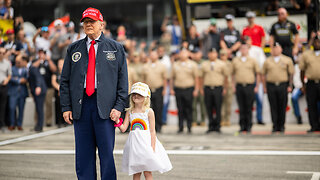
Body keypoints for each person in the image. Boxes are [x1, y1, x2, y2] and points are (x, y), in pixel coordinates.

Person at [60, 7, 128, 179]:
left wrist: (119, 106)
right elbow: (65, 81)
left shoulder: (116, 48)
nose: (88, 24)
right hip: (81, 106)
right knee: (83, 154)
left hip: (105, 107)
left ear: (101, 24)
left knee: (106, 154)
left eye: (92, 21)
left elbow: (122, 82)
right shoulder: (73, 49)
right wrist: (66, 107)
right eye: (85, 22)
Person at [115, 82, 172, 179]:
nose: (136, 96)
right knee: (136, 172)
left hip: (146, 144)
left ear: (146, 97)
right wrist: (117, 121)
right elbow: (124, 128)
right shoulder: (130, 111)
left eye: (139, 94)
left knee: (147, 171)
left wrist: (152, 147)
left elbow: (152, 131)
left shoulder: (149, 112)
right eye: (134, 94)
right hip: (134, 146)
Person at [261, 43, 294, 133]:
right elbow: (263, 74)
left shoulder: (287, 60)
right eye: (274, 48)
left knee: (282, 106)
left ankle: (282, 125)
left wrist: (290, 86)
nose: (275, 50)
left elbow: (291, 74)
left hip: (283, 85)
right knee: (273, 106)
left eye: (277, 48)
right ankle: (275, 125)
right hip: (271, 85)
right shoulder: (267, 61)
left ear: (281, 49)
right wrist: (264, 87)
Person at [237, 36, 266, 125]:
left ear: (251, 40)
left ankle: (259, 118)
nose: (247, 42)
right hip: (245, 77)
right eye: (245, 41)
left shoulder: (257, 50)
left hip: (256, 76)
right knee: (246, 102)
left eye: (248, 40)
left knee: (259, 99)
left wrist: (260, 80)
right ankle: (246, 121)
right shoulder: (239, 52)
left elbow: (262, 64)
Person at [232, 43, 260, 133]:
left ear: (248, 49)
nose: (244, 50)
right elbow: (233, 74)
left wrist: (257, 86)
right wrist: (233, 85)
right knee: (241, 107)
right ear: (240, 50)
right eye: (242, 48)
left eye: (245, 48)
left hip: (249, 85)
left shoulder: (253, 60)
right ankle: (242, 125)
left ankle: (249, 125)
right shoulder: (235, 60)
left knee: (249, 106)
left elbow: (258, 74)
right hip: (239, 86)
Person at [170, 48, 199, 133]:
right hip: (178, 89)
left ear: (188, 54)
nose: (183, 55)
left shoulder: (192, 64)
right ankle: (180, 126)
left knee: (189, 108)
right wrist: (171, 88)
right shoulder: (175, 64)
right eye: (181, 53)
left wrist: (196, 89)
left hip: (189, 89)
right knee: (180, 109)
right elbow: (172, 78)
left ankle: (189, 126)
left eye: (184, 53)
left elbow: (196, 78)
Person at [200, 48, 228, 133]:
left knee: (218, 107)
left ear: (216, 54)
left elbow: (225, 77)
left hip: (218, 88)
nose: (212, 55)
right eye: (210, 53)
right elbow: (201, 77)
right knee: (208, 108)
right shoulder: (204, 64)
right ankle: (211, 125)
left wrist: (225, 88)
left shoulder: (221, 64)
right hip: (208, 88)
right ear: (208, 54)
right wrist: (201, 88)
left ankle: (218, 125)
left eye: (214, 53)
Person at [141, 50, 167, 133]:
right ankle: (150, 126)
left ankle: (159, 126)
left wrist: (165, 89)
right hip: (148, 90)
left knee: (158, 108)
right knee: (148, 108)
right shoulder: (145, 66)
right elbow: (143, 79)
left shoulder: (162, 66)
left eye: (154, 55)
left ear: (157, 55)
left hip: (159, 89)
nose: (152, 56)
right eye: (151, 55)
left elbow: (165, 79)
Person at [299, 37, 320, 133]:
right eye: (315, 41)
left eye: (318, 41)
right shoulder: (307, 54)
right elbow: (302, 71)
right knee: (311, 105)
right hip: (311, 83)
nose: (317, 43)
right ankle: (313, 125)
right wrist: (303, 84)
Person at [33, 49, 57, 127]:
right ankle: (37, 121)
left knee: (48, 104)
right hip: (38, 87)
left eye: (43, 53)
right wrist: (40, 60)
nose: (41, 55)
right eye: (40, 53)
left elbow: (54, 69)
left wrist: (48, 60)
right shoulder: (36, 61)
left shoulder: (49, 61)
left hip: (48, 86)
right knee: (38, 104)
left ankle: (48, 121)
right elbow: (33, 67)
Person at [8, 55, 28, 131]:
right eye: (17, 62)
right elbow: (11, 78)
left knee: (21, 109)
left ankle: (19, 124)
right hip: (13, 92)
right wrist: (19, 80)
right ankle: (12, 124)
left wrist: (22, 79)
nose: (18, 63)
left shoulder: (25, 69)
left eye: (19, 62)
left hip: (22, 92)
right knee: (12, 108)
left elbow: (27, 78)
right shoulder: (12, 69)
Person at [29, 55, 47, 132]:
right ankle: (38, 125)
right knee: (38, 108)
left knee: (39, 109)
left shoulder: (33, 69)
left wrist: (38, 87)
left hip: (40, 90)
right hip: (37, 90)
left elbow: (38, 78)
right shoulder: (33, 68)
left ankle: (40, 126)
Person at [191, 50, 206, 126]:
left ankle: (203, 120)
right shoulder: (191, 63)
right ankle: (194, 120)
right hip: (193, 85)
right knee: (193, 105)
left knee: (203, 104)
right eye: (195, 53)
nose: (196, 55)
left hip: (202, 85)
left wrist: (202, 88)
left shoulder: (204, 63)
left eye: (198, 53)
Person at [220, 49, 233, 126]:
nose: (223, 57)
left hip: (229, 85)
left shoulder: (230, 64)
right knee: (221, 104)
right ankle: (221, 119)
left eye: (224, 55)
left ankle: (227, 119)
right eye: (221, 55)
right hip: (220, 85)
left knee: (228, 103)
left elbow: (233, 75)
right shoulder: (218, 63)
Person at [52, 58, 66, 127]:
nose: (60, 65)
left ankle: (66, 122)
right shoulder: (56, 73)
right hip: (58, 92)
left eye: (62, 63)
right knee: (58, 107)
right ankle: (59, 122)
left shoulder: (67, 72)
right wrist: (59, 89)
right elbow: (53, 81)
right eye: (59, 64)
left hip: (65, 92)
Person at [0, 47, 11, 132]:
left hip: (3, 86)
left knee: (3, 106)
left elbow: (9, 74)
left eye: (3, 53)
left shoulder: (7, 63)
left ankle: (3, 124)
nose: (1, 54)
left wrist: (7, 80)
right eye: (0, 52)